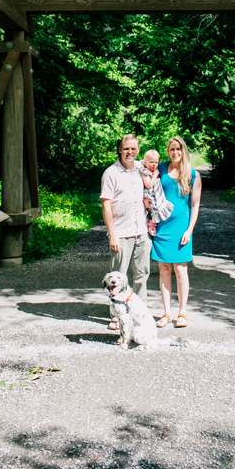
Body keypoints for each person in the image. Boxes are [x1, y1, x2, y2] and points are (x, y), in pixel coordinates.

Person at [100, 134, 151, 331]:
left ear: (138, 149)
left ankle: (141, 315)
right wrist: (112, 233)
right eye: (126, 148)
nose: (130, 152)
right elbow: (106, 205)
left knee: (141, 274)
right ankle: (116, 315)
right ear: (120, 150)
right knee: (117, 277)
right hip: (121, 232)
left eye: (133, 148)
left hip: (142, 231)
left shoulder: (142, 169)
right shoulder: (111, 173)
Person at [151, 136, 202, 328]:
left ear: (183, 151)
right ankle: (166, 313)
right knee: (164, 268)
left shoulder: (193, 174)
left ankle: (182, 312)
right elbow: (147, 186)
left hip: (182, 227)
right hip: (162, 225)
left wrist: (190, 230)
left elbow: (195, 205)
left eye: (178, 149)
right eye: (172, 149)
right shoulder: (161, 168)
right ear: (168, 151)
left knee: (181, 269)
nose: (175, 153)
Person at [139, 149, 173, 238]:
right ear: (145, 163)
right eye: (151, 162)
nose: (154, 164)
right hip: (150, 195)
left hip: (157, 194)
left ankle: (155, 223)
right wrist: (154, 176)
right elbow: (149, 184)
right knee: (154, 209)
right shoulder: (145, 173)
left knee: (160, 206)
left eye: (156, 162)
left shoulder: (154, 171)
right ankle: (152, 224)